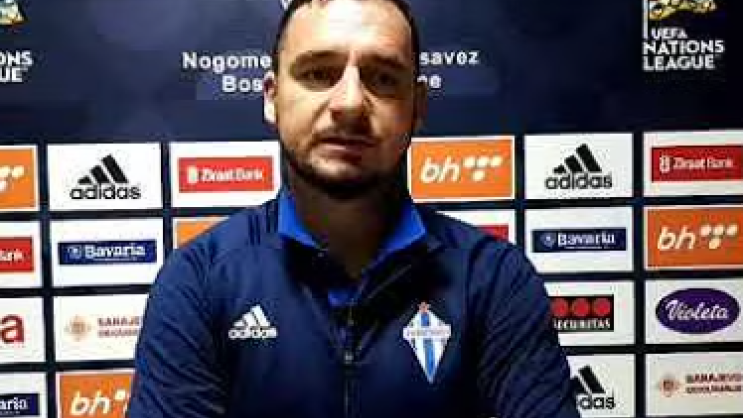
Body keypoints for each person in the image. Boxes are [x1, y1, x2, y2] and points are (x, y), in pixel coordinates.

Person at [127, 0, 580, 417]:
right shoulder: (200, 281)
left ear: (418, 106)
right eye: (318, 73)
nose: (349, 104)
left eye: (382, 78)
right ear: (271, 97)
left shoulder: (493, 280)